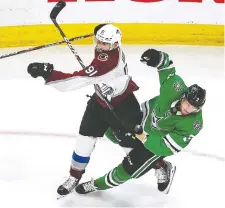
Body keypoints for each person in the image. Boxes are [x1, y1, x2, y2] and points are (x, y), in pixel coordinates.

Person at [27, 23, 142, 196]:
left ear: (116, 44)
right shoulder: (109, 48)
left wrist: (48, 73)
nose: (100, 46)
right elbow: (101, 40)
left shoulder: (107, 61)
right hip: (101, 102)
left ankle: (162, 167)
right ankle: (74, 176)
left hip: (122, 108)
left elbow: (77, 80)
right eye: (98, 41)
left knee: (134, 151)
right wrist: (100, 29)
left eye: (105, 43)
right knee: (84, 141)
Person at [74, 48, 206, 195]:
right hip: (142, 118)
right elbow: (167, 67)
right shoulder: (175, 87)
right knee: (111, 130)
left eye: (194, 108)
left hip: (155, 145)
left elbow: (166, 147)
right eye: (187, 103)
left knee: (127, 169)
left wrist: (144, 138)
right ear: (183, 97)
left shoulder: (193, 125)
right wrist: (157, 57)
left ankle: (96, 185)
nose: (188, 109)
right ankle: (161, 166)